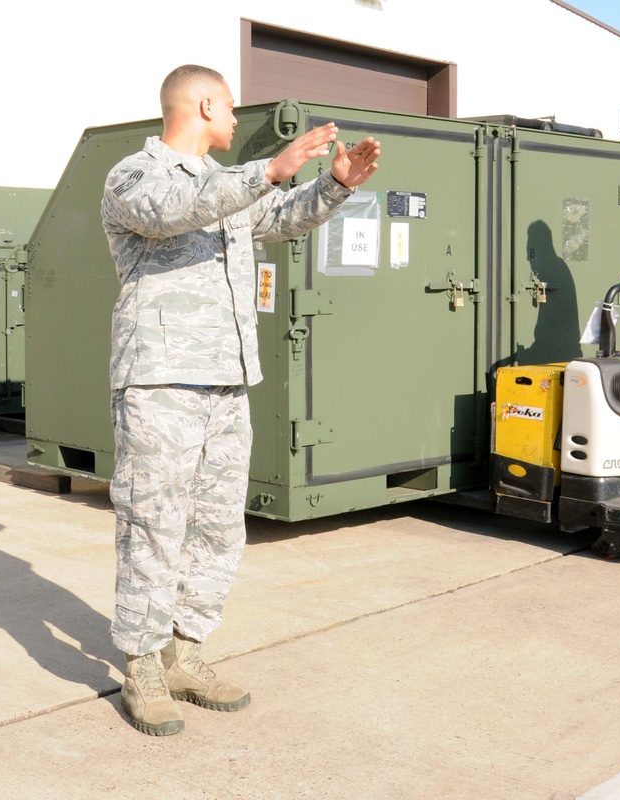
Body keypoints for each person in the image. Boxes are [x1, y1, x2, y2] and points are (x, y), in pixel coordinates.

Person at [100, 64, 380, 736]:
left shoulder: (224, 186)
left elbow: (278, 218)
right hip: (161, 380)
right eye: (228, 108)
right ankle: (140, 665)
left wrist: (334, 186)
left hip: (227, 381)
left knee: (218, 526)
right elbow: (175, 214)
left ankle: (185, 654)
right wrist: (270, 169)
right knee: (154, 521)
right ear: (201, 104)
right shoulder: (135, 176)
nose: (234, 120)